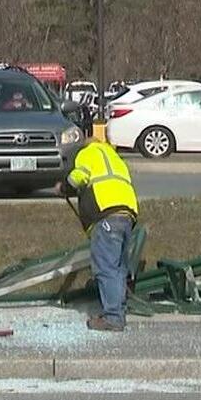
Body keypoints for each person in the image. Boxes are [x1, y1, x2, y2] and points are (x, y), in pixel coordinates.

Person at [56, 137, 138, 331]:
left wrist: (63, 187)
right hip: (127, 214)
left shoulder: (88, 153)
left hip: (106, 214)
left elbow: (78, 177)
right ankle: (118, 309)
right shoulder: (115, 157)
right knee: (118, 267)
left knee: (106, 268)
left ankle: (113, 318)